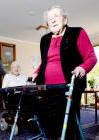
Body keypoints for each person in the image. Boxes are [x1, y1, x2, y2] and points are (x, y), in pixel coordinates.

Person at [32, 6, 97, 139]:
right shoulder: (44, 39)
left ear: (65, 19)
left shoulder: (77, 33)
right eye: (49, 19)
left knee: (65, 117)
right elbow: (45, 62)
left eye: (56, 16)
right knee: (41, 112)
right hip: (46, 87)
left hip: (68, 85)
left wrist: (82, 68)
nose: (53, 20)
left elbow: (91, 57)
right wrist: (36, 72)